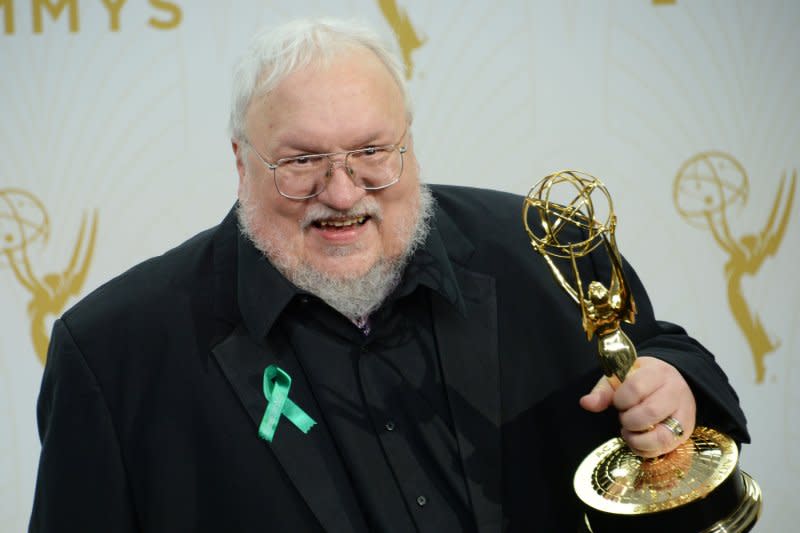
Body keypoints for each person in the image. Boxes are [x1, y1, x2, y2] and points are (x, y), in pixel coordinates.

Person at [29, 18, 749, 532]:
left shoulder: (547, 247)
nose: (342, 192)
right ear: (241, 162)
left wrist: (674, 387)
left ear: (409, 143)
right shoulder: (115, 353)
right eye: (302, 160)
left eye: (373, 150)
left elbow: (665, 354)